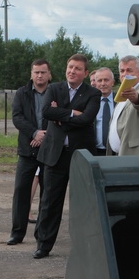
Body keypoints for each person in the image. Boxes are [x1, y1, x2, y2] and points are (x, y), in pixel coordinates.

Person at [33, 53, 101, 259]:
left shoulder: (93, 93)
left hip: (80, 155)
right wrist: (73, 113)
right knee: (50, 202)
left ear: (85, 73)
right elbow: (46, 112)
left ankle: (84, 244)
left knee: (83, 202)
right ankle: (43, 245)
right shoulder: (54, 88)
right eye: (70, 67)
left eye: (77, 68)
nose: (72, 71)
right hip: (56, 154)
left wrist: (60, 114)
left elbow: (87, 119)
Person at [7, 59, 51, 245]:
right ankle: (17, 233)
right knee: (21, 192)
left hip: (50, 151)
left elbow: (61, 116)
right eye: (36, 72)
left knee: (47, 194)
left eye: (43, 72)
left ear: (49, 74)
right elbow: (17, 117)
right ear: (31, 74)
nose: (39, 75)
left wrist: (44, 136)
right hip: (27, 150)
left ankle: (42, 235)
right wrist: (34, 133)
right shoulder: (22, 93)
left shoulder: (57, 92)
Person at [107, 55, 139, 156]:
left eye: (129, 70)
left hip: (137, 155)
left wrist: (136, 97)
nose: (125, 74)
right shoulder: (121, 95)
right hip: (118, 155)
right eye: (122, 71)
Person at [94, 67, 115, 156]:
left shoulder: (122, 101)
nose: (103, 84)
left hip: (117, 152)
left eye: (106, 80)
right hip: (95, 152)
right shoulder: (89, 101)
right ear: (95, 83)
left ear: (113, 82)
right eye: (99, 80)